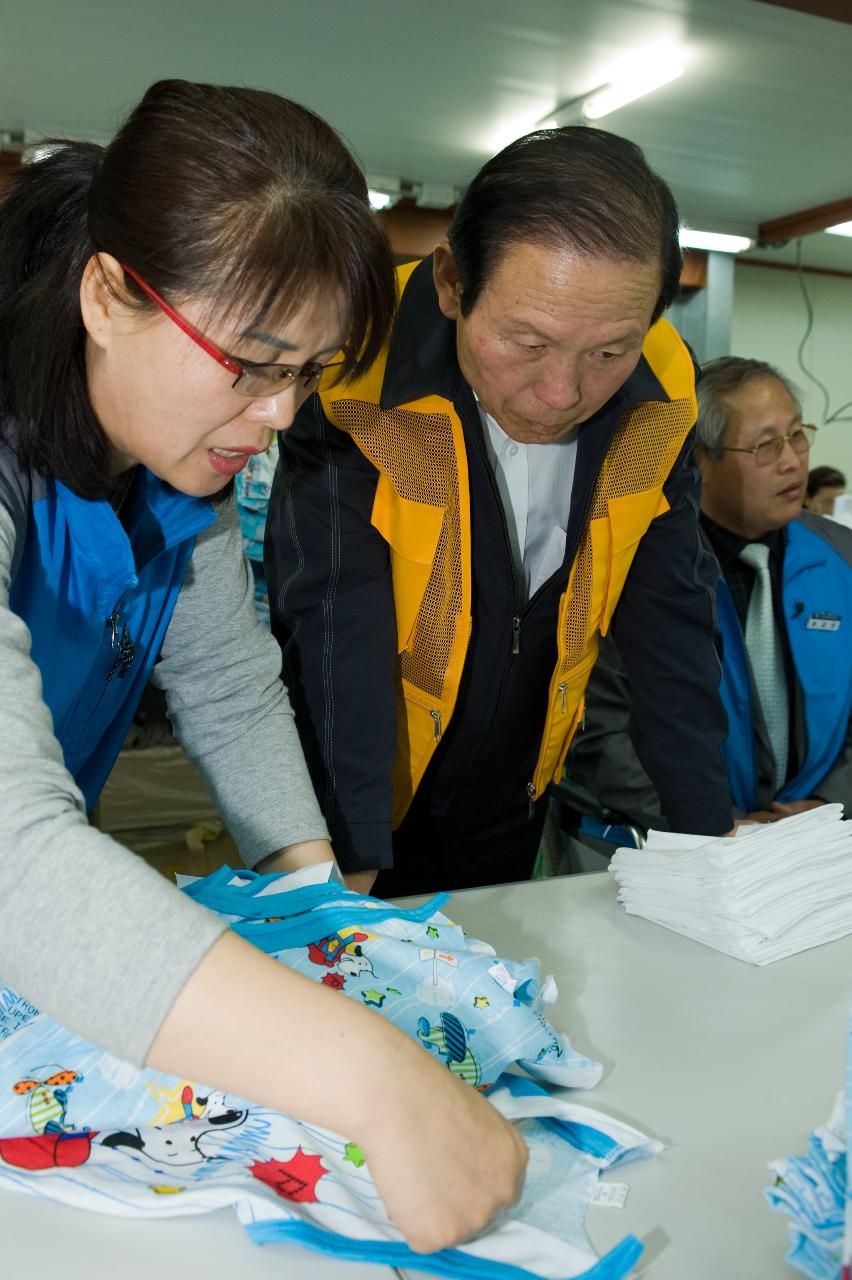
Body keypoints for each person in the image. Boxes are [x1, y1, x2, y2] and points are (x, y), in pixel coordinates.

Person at [0, 79, 526, 1251]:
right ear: (105, 294)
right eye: (251, 361)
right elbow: (11, 845)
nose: (282, 411)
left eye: (309, 371)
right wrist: (374, 1078)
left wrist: (325, 917)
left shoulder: (168, 468)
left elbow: (233, 688)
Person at [266, 125, 733, 899]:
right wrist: (344, 853)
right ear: (452, 282)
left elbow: (672, 626)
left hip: (516, 787)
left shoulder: (663, 395)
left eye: (609, 352)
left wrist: (708, 841)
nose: (563, 394)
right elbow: (331, 624)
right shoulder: (354, 376)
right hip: (362, 782)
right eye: (527, 342)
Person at [568, 357, 852, 829]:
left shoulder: (842, 558)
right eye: (765, 446)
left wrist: (830, 804)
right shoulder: (639, 568)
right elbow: (600, 731)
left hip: (814, 844)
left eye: (797, 435)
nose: (792, 460)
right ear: (699, 460)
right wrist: (714, 824)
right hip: (671, 846)